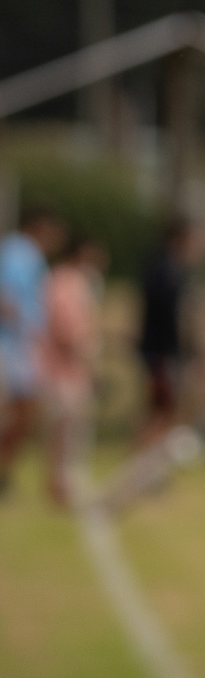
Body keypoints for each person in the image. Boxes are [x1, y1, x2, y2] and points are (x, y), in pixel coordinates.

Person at [0, 209, 68, 499]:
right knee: (19, 413)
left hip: (21, 347)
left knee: (25, 415)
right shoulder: (18, 253)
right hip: (12, 346)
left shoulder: (31, 256)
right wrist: (28, 329)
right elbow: (6, 298)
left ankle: (4, 473)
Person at [39, 235, 107, 507]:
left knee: (66, 431)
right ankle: (60, 487)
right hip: (63, 370)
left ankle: (61, 484)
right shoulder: (68, 283)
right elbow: (67, 330)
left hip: (66, 369)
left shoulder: (67, 281)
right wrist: (88, 362)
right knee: (65, 431)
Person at [135, 217, 196, 448]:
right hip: (160, 353)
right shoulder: (165, 272)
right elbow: (169, 319)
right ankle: (143, 464)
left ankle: (154, 467)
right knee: (160, 410)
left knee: (165, 411)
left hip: (163, 352)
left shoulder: (170, 270)